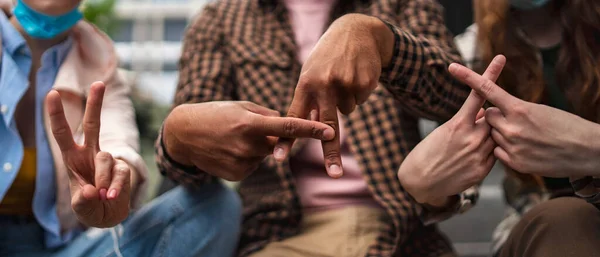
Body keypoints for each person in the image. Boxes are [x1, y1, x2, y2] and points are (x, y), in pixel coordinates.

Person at [157, 0, 490, 256]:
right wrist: (177, 138)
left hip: (402, 227)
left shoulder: (399, 3)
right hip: (280, 234)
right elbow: (190, 159)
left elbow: (458, 97)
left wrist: (382, 40)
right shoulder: (221, 19)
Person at [0, 1, 241, 256]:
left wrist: (113, 182)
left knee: (215, 206)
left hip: (65, 247)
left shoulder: (101, 61)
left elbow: (118, 144)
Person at [407, 0, 600, 255]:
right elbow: (462, 174)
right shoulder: (475, 49)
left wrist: (592, 146)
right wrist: (433, 190)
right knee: (566, 221)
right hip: (545, 226)